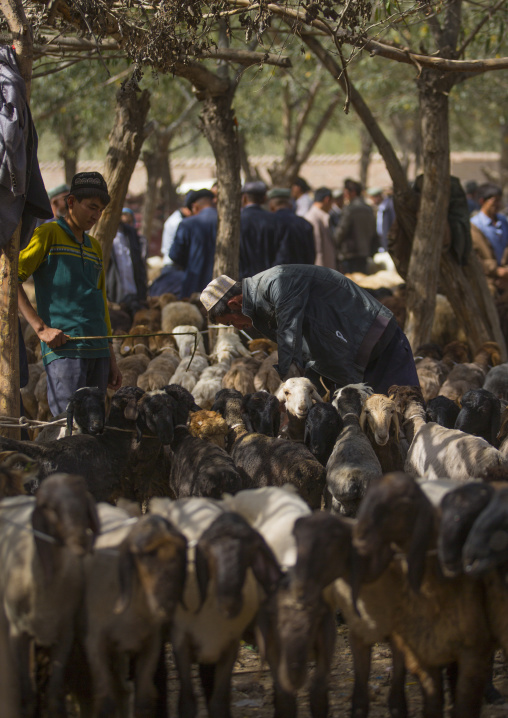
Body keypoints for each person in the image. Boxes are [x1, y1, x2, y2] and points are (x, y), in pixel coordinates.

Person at [200, 266, 419, 395]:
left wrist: (287, 389)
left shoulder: (277, 281)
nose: (237, 328)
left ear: (235, 304)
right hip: (350, 353)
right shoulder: (259, 310)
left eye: (230, 323)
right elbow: (306, 349)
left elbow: (290, 334)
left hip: (373, 340)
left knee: (405, 410)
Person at [18, 171, 122, 416]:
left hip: (97, 349)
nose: (95, 216)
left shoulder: (94, 246)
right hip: (66, 350)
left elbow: (101, 303)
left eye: (100, 211)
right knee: (68, 428)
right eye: (91, 208)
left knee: (94, 432)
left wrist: (111, 356)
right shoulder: (48, 234)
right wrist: (40, 329)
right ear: (71, 202)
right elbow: (9, 280)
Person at [169, 188, 217, 298]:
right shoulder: (230, 222)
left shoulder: (187, 224)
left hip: (195, 286)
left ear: (195, 207)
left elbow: (175, 255)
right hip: (226, 285)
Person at [470, 182, 508, 296]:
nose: (498, 204)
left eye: (499, 201)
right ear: (482, 201)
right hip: (486, 281)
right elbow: (474, 257)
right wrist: (495, 271)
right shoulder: (474, 226)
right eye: (494, 201)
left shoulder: (503, 221)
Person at [334, 178, 378, 274]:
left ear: (352, 192)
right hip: (365, 252)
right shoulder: (369, 209)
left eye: (345, 193)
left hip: (350, 253)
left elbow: (341, 231)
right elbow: (374, 231)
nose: (344, 196)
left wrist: (334, 244)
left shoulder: (349, 209)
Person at [239, 180, 279, 278]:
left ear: (244, 198)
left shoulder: (237, 221)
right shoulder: (274, 220)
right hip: (269, 278)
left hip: (244, 280)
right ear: (264, 199)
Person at [106, 211, 147, 305]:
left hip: (133, 295)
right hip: (113, 298)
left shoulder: (130, 232)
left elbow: (139, 265)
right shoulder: (98, 234)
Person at [267, 188, 315, 265]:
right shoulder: (305, 223)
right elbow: (310, 255)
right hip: (302, 272)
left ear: (271, 206)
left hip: (276, 273)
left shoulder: (268, 223)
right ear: (290, 205)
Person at [304, 186, 336, 269]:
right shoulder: (313, 218)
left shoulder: (319, 216)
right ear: (327, 199)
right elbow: (317, 250)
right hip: (322, 270)